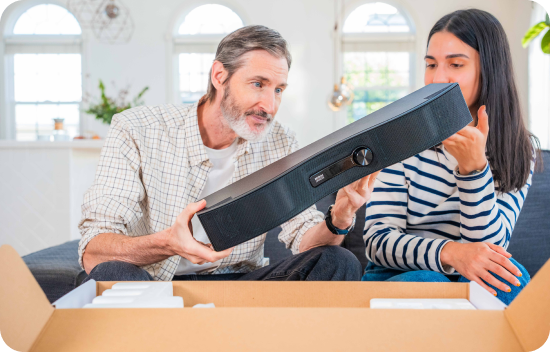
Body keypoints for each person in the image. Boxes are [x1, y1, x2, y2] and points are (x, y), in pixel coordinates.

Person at [79, 25, 378, 283]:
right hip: (154, 282)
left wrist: (339, 217)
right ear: (219, 76)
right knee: (109, 273)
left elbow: (304, 240)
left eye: (278, 90)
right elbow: (93, 250)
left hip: (240, 283)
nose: (270, 106)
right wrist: (169, 243)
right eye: (258, 84)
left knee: (339, 261)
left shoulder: (280, 141)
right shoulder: (137, 128)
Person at [362, 9, 541, 305]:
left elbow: (490, 250)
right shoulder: (399, 137)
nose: (438, 78)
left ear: (489, 70)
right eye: (430, 65)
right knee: (429, 281)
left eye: (455, 64)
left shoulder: (518, 147)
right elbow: (378, 242)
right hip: (397, 274)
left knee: (514, 277)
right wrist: (452, 254)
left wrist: (474, 170)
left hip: (471, 275)